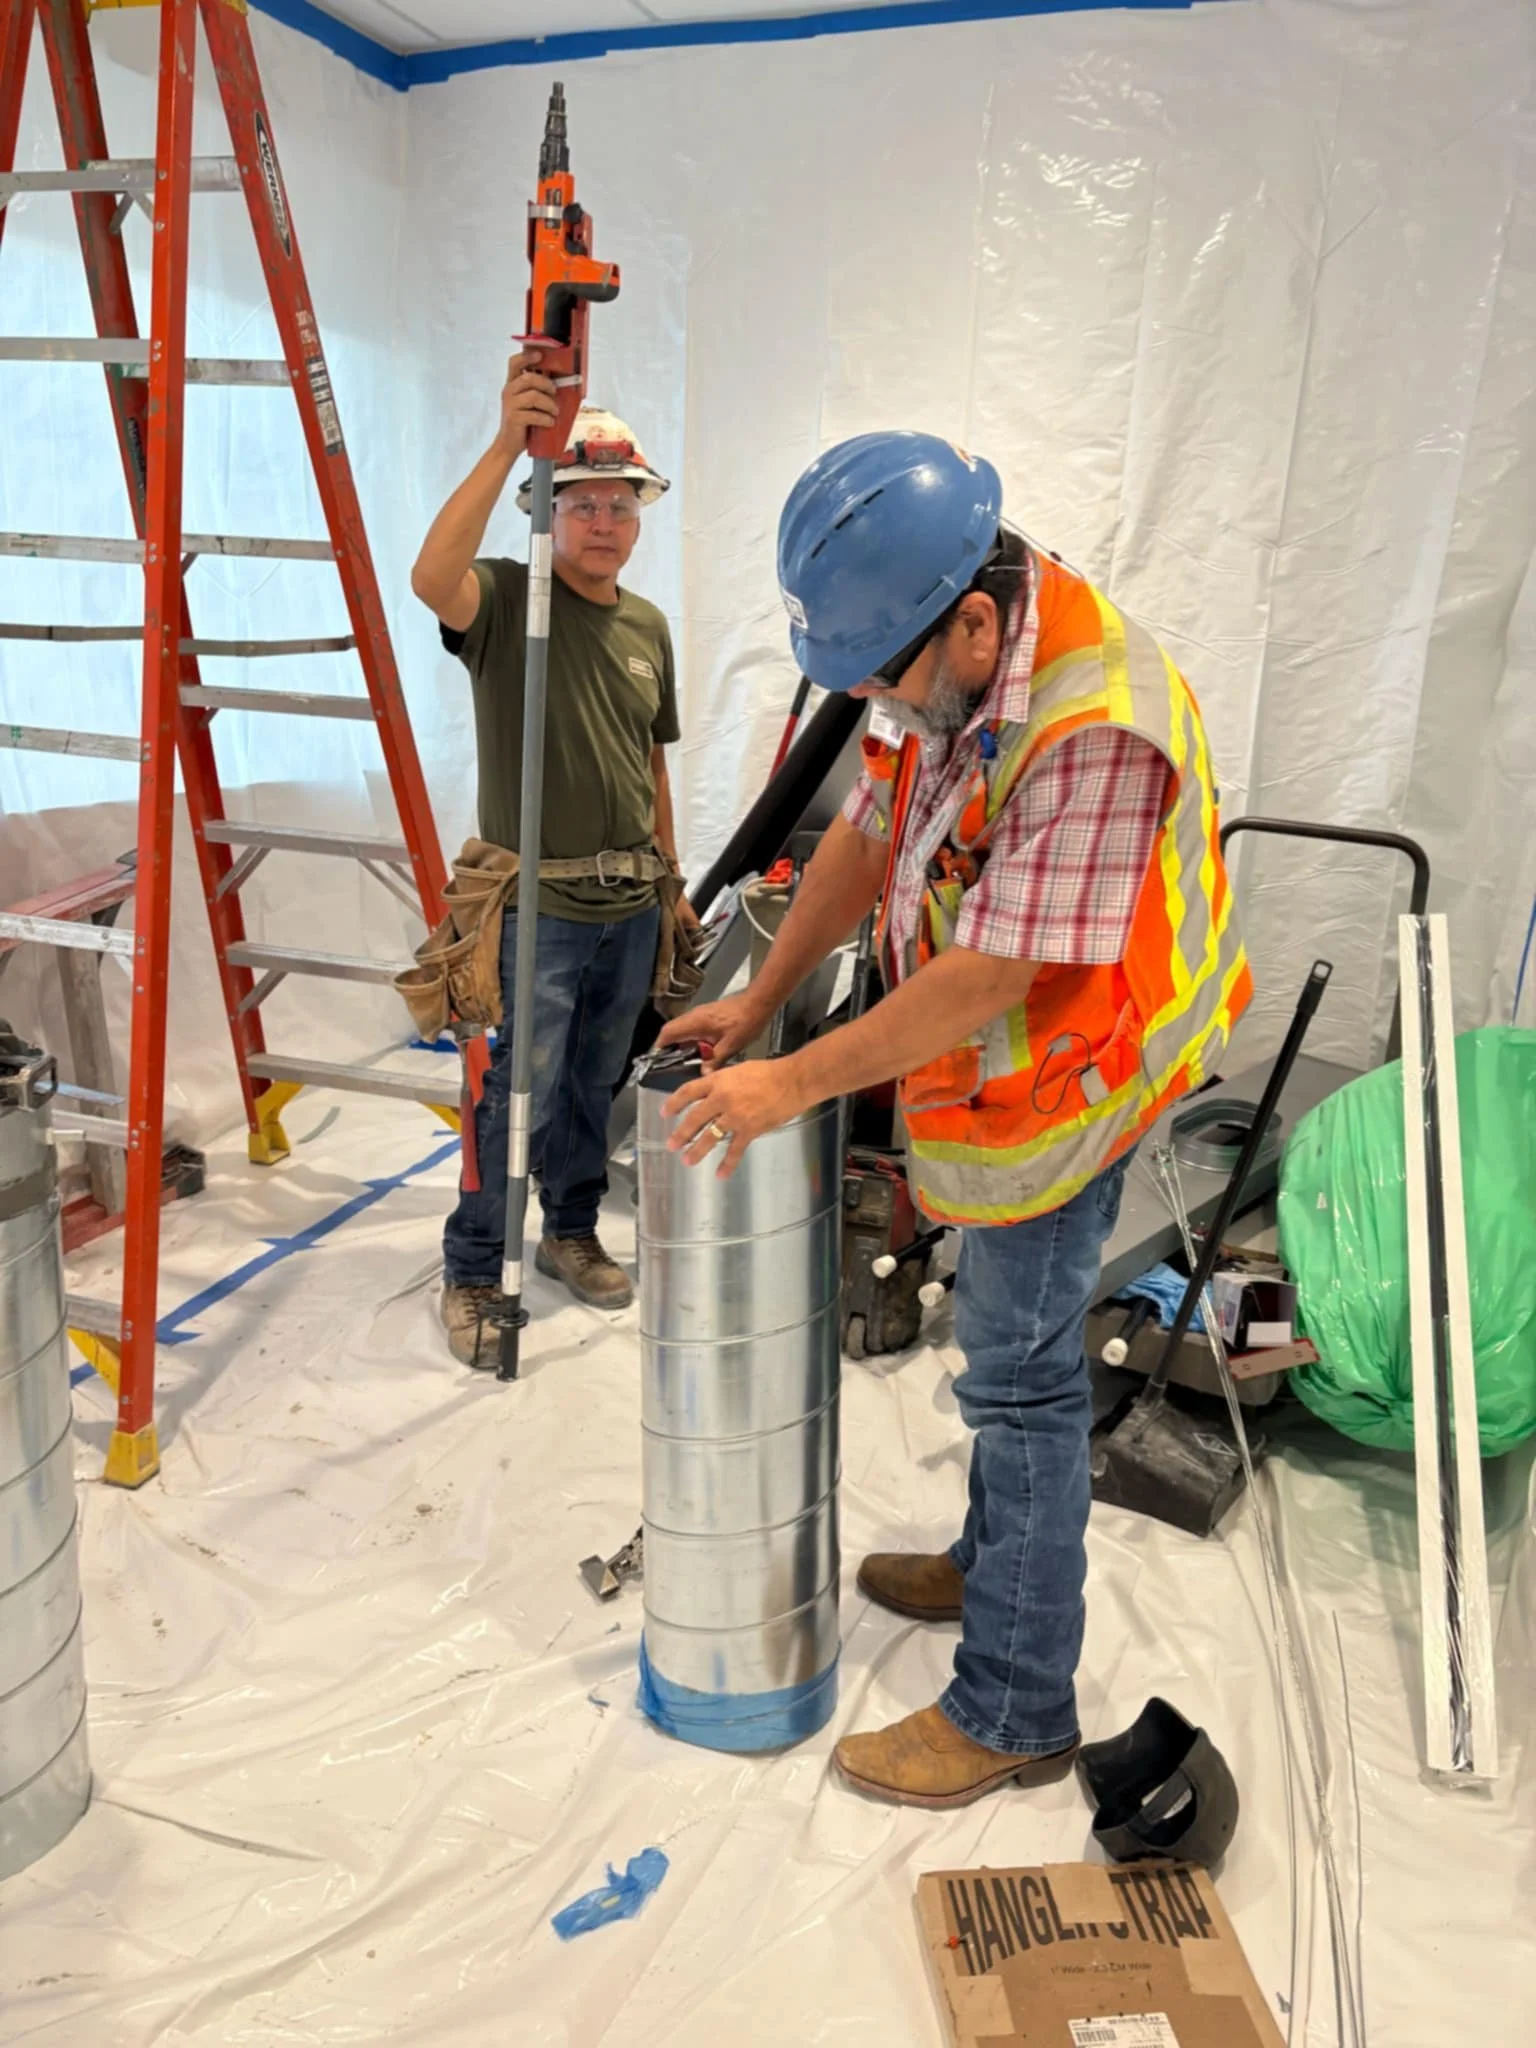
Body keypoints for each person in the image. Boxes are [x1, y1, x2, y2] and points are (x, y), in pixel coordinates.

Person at [657, 432, 1251, 1807]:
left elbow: (995, 976)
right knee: (1009, 1355)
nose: (875, 705)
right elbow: (866, 831)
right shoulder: (939, 642)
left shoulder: (1103, 724)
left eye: (884, 681)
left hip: (1084, 1075)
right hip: (1009, 1052)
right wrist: (761, 1003)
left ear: (975, 626)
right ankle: (994, 1567)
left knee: (1025, 1385)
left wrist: (791, 1085)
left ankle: (1014, 1705)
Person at [411, 353, 692, 1360]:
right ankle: (477, 1271)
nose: (604, 520)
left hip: (629, 906)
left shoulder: (648, 626)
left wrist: (673, 877)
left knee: (589, 1083)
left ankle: (571, 1228)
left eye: (620, 503)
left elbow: (648, 756)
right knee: (509, 1095)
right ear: (547, 510)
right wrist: (503, 444)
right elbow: (429, 577)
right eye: (581, 503)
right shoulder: (508, 603)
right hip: (540, 908)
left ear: (639, 515)